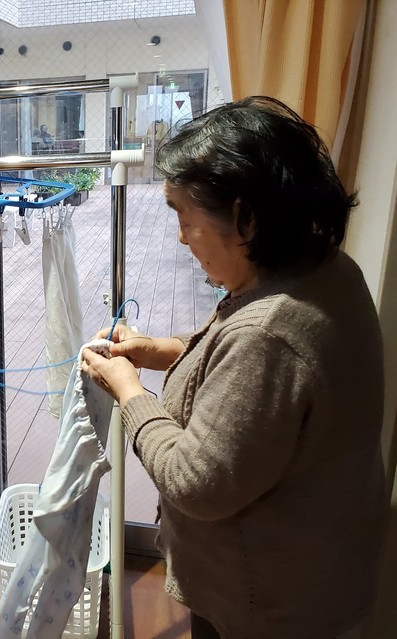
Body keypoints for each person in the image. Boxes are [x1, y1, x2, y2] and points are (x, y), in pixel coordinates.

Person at [82, 96, 387, 639]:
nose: (180, 236)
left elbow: (195, 481)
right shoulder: (327, 271)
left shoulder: (269, 333)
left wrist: (130, 393)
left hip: (268, 605)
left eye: (184, 216)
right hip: (316, 576)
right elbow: (248, 375)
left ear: (245, 217)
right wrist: (164, 350)